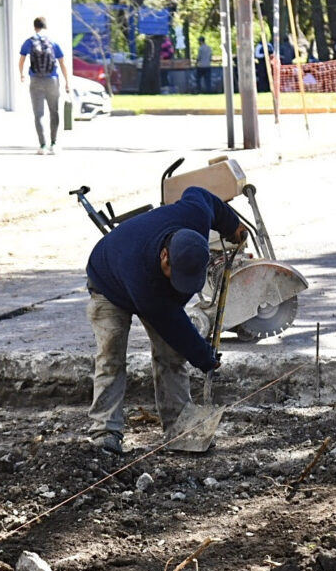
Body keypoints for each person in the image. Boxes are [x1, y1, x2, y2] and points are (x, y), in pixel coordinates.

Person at [84, 187, 248, 454]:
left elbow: (200, 194)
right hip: (108, 281)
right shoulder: (144, 281)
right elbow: (173, 325)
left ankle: (179, 430)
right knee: (111, 355)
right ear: (164, 256)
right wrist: (204, 357)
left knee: (171, 356)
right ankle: (105, 431)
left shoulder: (194, 215)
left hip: (146, 280)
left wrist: (232, 225)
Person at [18, 16, 70, 155]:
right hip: (52, 80)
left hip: (35, 80)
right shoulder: (53, 42)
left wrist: (22, 74)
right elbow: (62, 63)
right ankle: (54, 143)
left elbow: (21, 60)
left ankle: (43, 146)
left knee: (39, 114)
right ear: (45, 26)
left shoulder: (29, 42)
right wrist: (67, 82)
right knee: (54, 111)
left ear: (34, 27)